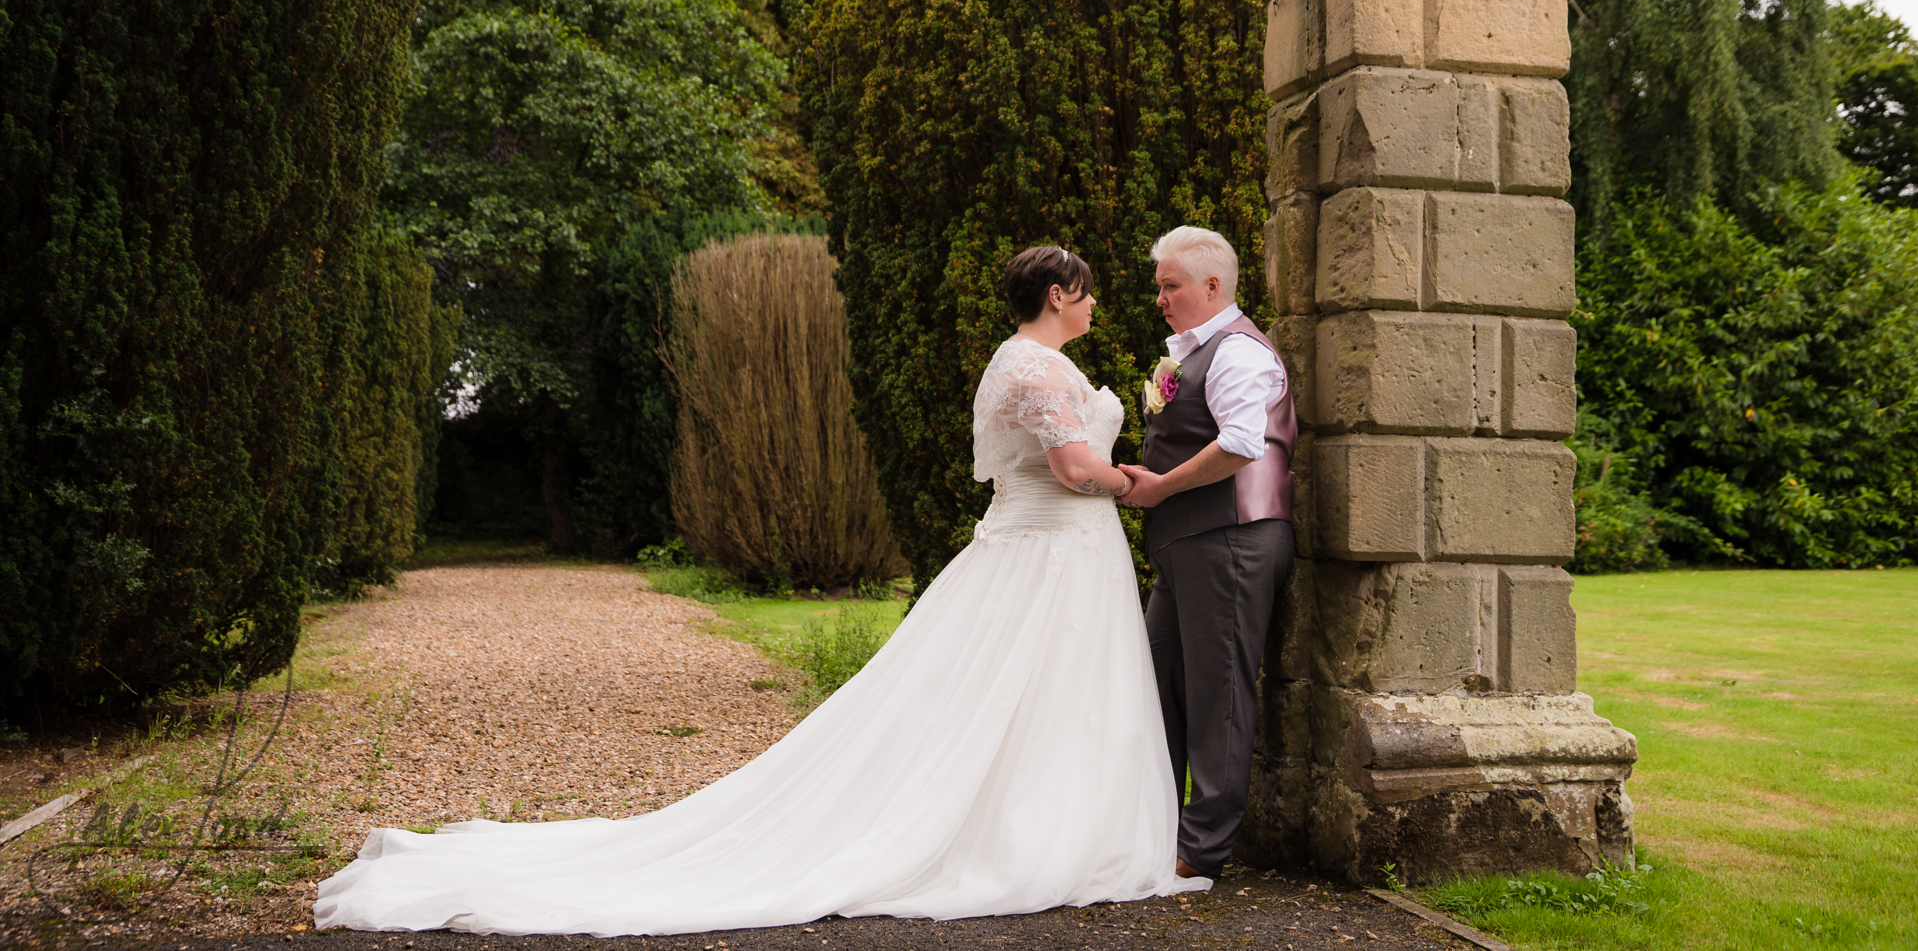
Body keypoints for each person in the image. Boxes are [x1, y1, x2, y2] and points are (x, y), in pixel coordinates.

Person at [312, 245, 1208, 937]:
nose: (1095, 304)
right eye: (1086, 291)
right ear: (1059, 294)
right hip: (1048, 555)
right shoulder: (1039, 368)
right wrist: (1138, 481)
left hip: (1042, 549)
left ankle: (1048, 824)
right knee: (1031, 698)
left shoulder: (1013, 361)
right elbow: (1071, 465)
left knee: (1033, 702)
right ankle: (1034, 838)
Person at [1117, 227, 1297, 881]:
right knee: (1157, 679)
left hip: (1232, 538)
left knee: (1218, 688)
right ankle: (1156, 826)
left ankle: (1202, 849)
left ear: (1213, 286)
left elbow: (1245, 441)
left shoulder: (1239, 353)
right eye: (1160, 285)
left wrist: (1161, 485)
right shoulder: (1191, 354)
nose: (1160, 298)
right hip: (1192, 543)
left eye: (1172, 285)